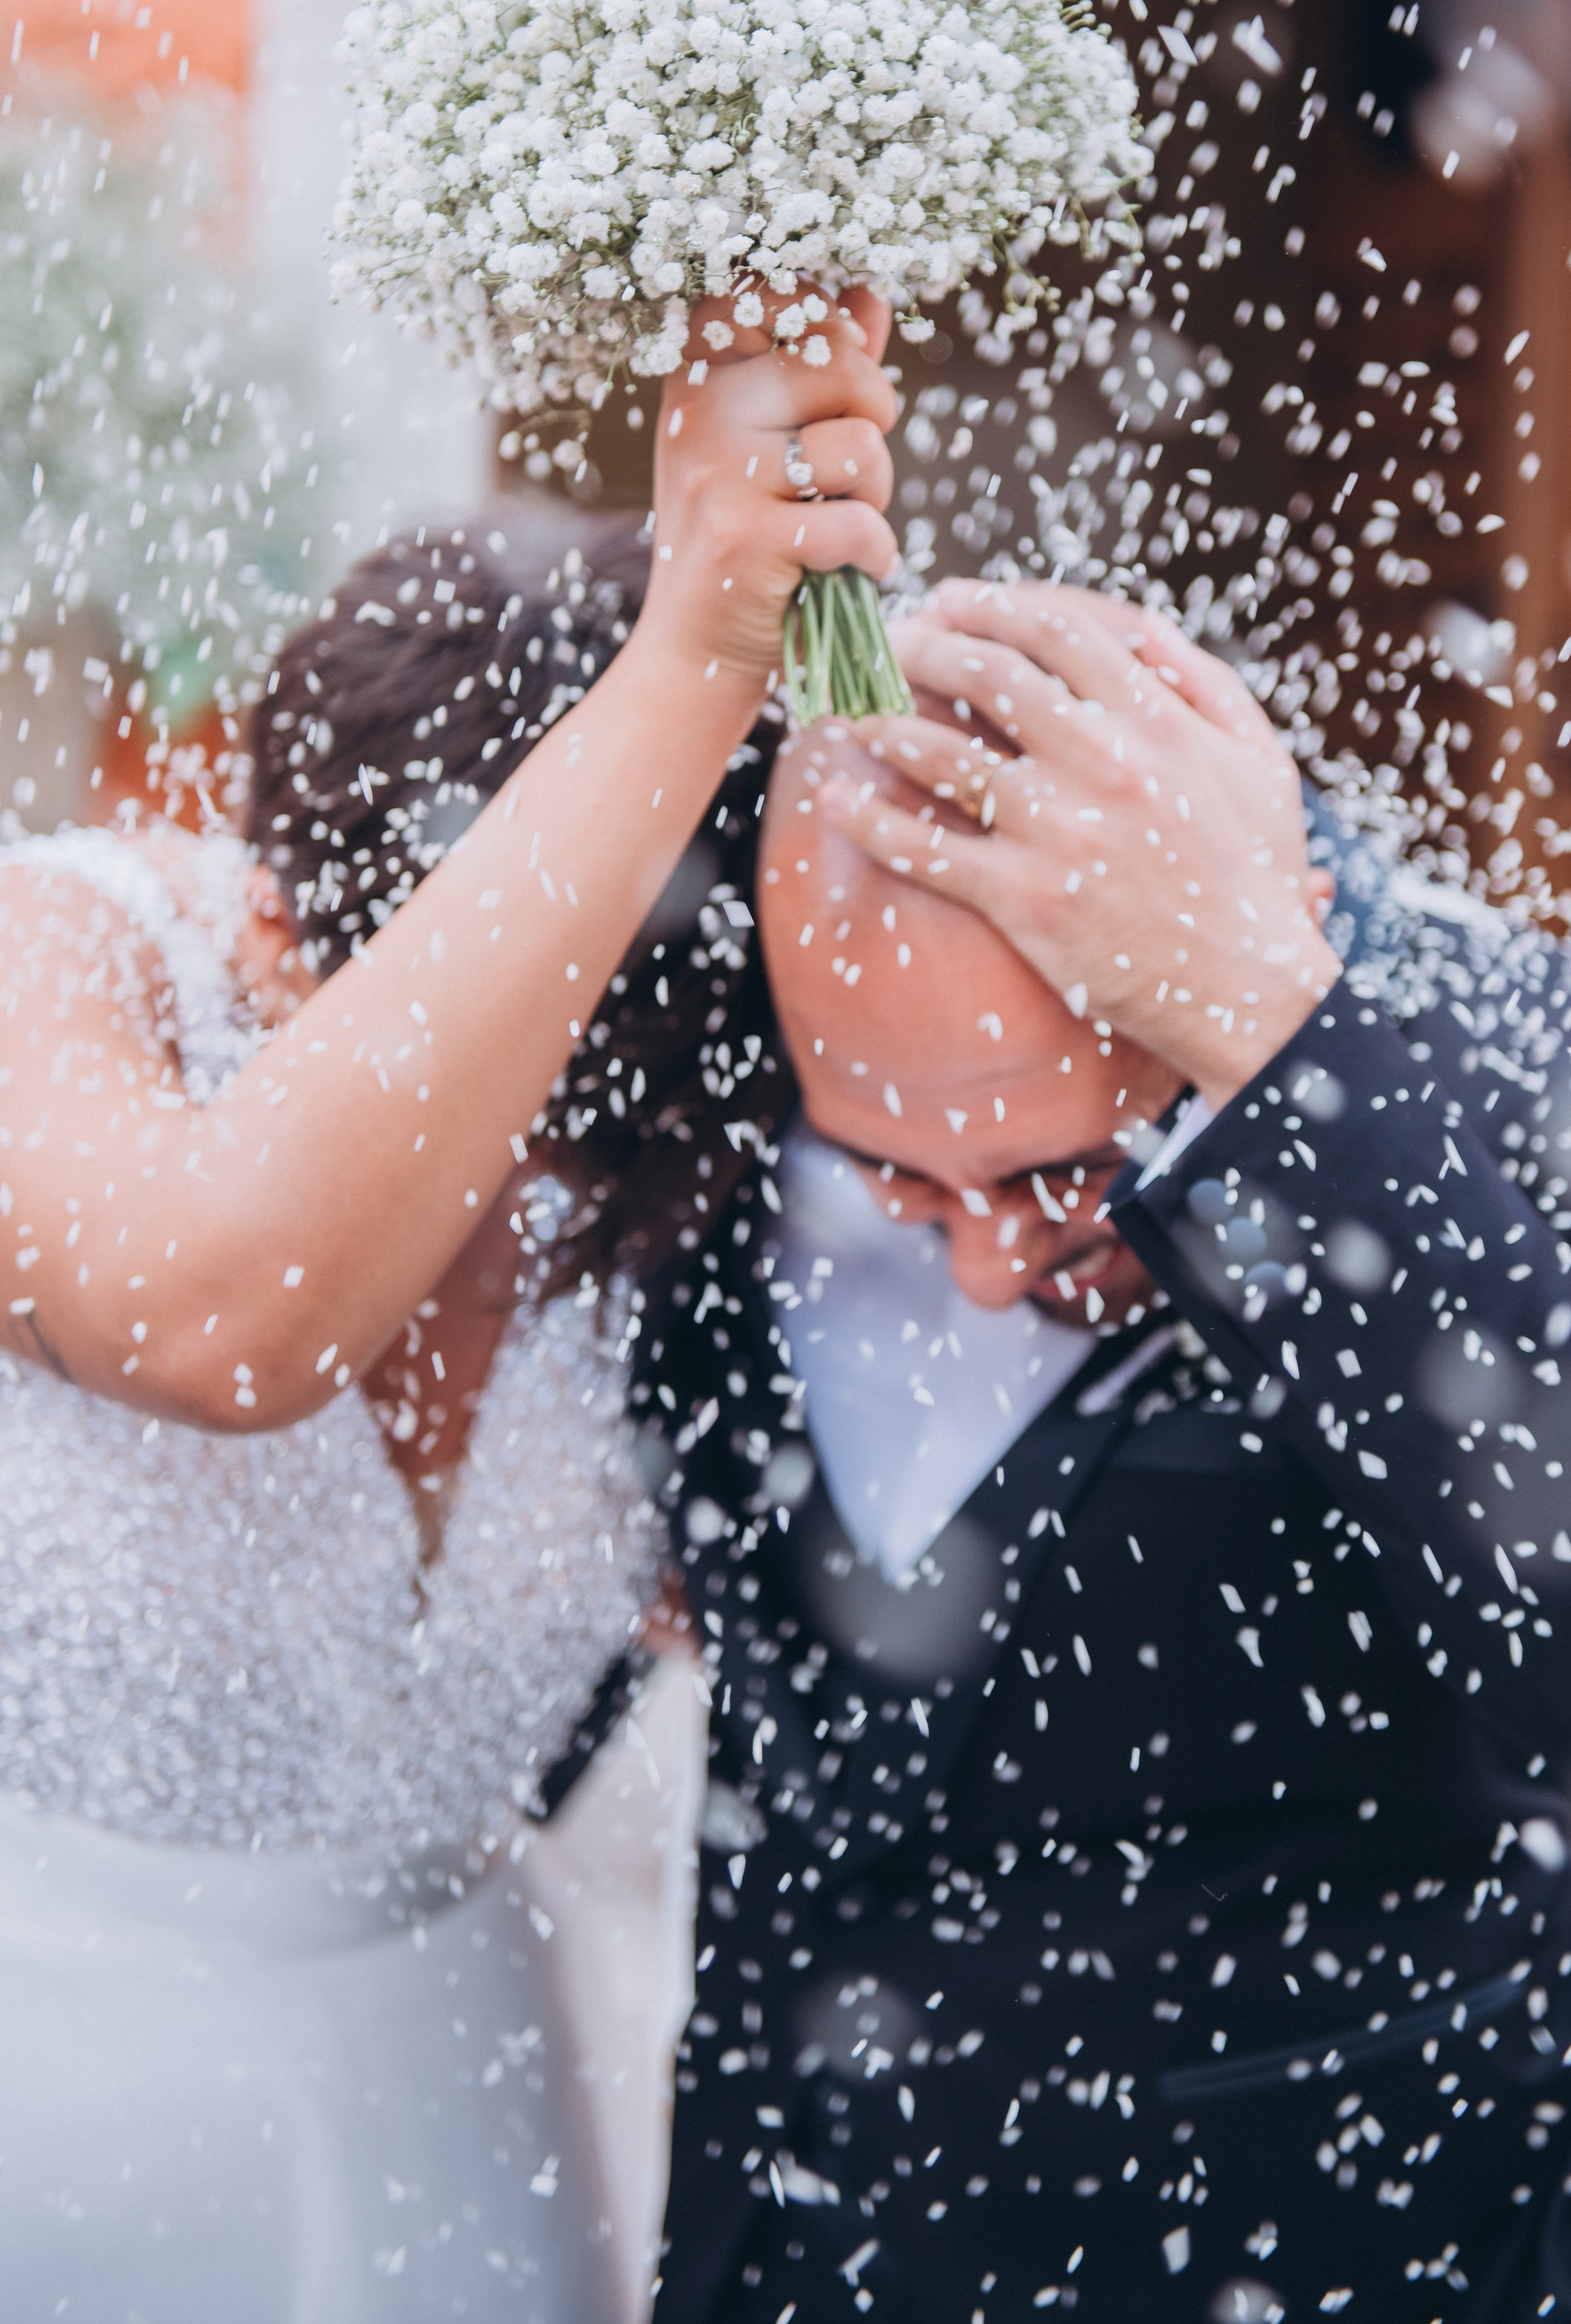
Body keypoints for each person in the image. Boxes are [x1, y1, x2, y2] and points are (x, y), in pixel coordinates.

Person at [627, 579, 1571, 2324]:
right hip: (793, 2240)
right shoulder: (711, 1018)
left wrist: (1273, 1056)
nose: (980, 1261)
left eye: (1050, 1173)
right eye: (892, 1176)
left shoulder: (1541, 1085)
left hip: (1339, 2244)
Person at [0, 289, 898, 2321]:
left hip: (454, 2103)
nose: (494, 1194)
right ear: (269, 903)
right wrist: (690, 662)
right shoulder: (67, 948)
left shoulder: (679, 1136)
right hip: (33, 2065)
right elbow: (208, 1312)